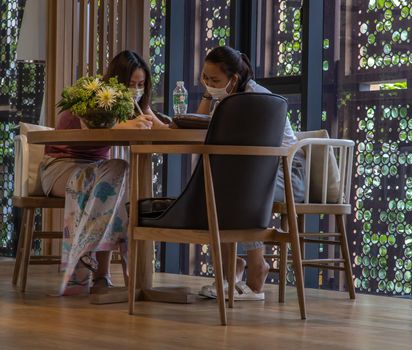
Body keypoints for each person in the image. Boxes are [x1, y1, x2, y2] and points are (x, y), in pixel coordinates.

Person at [39, 50, 169, 296]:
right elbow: (90, 131)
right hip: (62, 165)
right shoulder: (94, 97)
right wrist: (123, 125)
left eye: (141, 85)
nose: (136, 89)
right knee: (115, 180)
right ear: (116, 82)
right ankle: (101, 275)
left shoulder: (137, 106)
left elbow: (163, 129)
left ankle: (87, 255)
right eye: (131, 84)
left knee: (119, 175)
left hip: (100, 171)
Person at [197, 46, 305, 300]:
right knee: (217, 188)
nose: (210, 84)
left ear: (233, 79)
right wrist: (208, 93)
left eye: (215, 80)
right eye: (205, 77)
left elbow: (260, 153)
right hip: (255, 172)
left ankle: (257, 266)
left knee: (236, 191)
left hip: (287, 172)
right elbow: (197, 124)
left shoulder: (256, 98)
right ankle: (231, 271)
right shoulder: (228, 97)